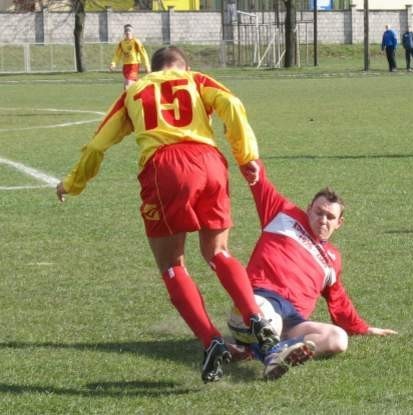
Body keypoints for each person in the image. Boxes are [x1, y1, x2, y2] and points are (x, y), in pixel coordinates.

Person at [56, 46, 281, 383]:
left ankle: (212, 341)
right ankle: (255, 317)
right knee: (218, 252)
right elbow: (232, 105)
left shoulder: (135, 89)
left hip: (167, 168)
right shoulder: (196, 79)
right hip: (210, 163)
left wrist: (73, 183)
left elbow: (97, 145)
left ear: (152, 69)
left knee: (173, 266)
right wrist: (247, 155)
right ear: (183, 66)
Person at [226, 161, 397, 380]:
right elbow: (259, 181)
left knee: (338, 339)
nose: (322, 220)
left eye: (330, 217)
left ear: (339, 223)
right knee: (270, 320)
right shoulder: (282, 213)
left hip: (293, 321)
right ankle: (269, 353)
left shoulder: (332, 259)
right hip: (257, 302)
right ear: (309, 209)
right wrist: (251, 161)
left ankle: (257, 351)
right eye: (318, 212)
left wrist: (364, 329)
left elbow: (339, 300)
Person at [110, 24, 151, 89]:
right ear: (124, 32)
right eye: (126, 30)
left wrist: (147, 66)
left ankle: (132, 95)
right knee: (129, 86)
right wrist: (113, 63)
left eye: (129, 30)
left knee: (127, 86)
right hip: (125, 66)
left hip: (134, 65)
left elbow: (143, 54)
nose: (127, 32)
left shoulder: (136, 42)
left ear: (132, 32)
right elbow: (117, 55)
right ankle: (139, 90)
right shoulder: (121, 43)